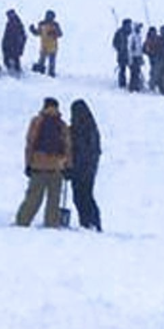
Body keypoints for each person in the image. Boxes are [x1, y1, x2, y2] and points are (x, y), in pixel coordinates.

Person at [14, 97, 71, 228]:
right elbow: (68, 147)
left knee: (33, 197)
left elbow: (30, 144)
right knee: (54, 199)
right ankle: (51, 224)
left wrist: (28, 164)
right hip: (57, 166)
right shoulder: (62, 124)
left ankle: (22, 221)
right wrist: (68, 166)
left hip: (38, 165)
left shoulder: (36, 121)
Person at [67, 99, 102, 231]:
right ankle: (90, 222)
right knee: (85, 195)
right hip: (89, 168)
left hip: (81, 168)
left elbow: (80, 150)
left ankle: (88, 222)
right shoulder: (91, 127)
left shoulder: (81, 129)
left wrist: (72, 168)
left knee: (82, 196)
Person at [29, 9, 63, 77]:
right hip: (44, 46)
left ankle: (51, 73)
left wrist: (54, 33)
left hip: (53, 46)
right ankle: (40, 71)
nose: (49, 17)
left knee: (51, 62)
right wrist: (32, 30)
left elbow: (60, 34)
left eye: (51, 16)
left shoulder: (55, 25)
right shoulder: (42, 24)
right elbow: (38, 33)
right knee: (42, 60)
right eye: (48, 16)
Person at [2, 8, 26, 76]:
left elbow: (22, 35)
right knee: (14, 58)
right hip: (12, 44)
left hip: (14, 44)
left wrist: (20, 44)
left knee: (13, 58)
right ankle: (15, 70)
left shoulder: (15, 23)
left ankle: (15, 71)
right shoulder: (12, 22)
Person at [112, 18, 132, 88]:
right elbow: (114, 43)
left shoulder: (132, 32)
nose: (129, 26)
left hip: (131, 54)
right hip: (122, 54)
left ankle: (133, 83)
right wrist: (119, 48)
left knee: (133, 69)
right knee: (122, 69)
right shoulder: (119, 32)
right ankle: (122, 83)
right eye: (128, 24)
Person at [127, 22, 145, 93]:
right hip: (133, 57)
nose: (139, 29)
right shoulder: (132, 37)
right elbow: (130, 49)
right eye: (138, 28)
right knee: (133, 73)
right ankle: (132, 87)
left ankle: (137, 85)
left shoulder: (139, 36)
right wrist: (130, 59)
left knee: (137, 72)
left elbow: (139, 48)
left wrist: (141, 57)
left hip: (138, 57)